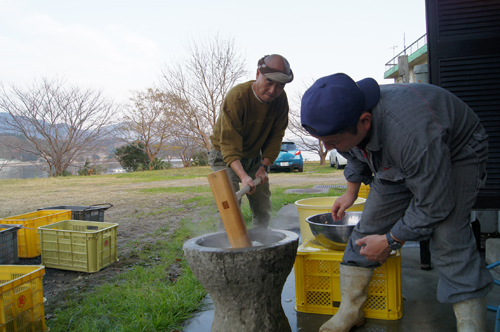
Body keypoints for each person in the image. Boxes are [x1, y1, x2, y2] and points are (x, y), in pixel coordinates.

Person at [300, 73, 493, 332]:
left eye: (332, 143)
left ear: (365, 121)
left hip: (458, 150)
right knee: (367, 228)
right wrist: (351, 192)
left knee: (448, 235)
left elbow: (434, 204)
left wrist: (392, 239)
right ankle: (350, 310)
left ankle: (472, 325)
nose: (328, 148)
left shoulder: (413, 136)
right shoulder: (346, 116)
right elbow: (353, 151)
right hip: (396, 156)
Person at [209, 54, 293, 229]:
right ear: (257, 74)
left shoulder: (281, 100)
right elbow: (229, 144)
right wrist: (243, 176)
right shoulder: (237, 97)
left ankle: (261, 247)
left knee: (262, 206)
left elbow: (276, 136)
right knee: (230, 207)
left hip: (254, 157)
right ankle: (226, 251)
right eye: (269, 82)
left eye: (280, 86)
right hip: (225, 157)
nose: (273, 91)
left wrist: (264, 167)